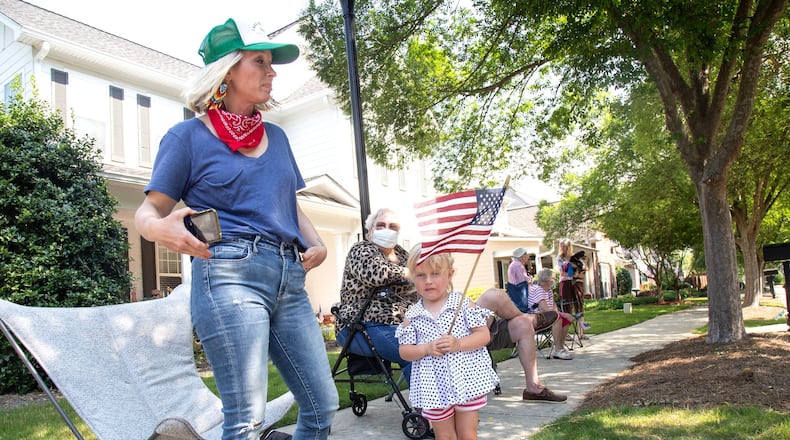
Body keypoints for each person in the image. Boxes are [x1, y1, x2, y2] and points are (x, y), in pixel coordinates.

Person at [134, 18, 337, 440]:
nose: (272, 72)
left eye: (270, 63)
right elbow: (147, 212)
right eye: (259, 62)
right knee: (246, 419)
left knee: (322, 405)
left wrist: (316, 242)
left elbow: (288, 202)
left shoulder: (277, 138)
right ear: (227, 72)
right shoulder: (187, 137)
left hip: (289, 276)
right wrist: (160, 230)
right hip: (229, 272)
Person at [397, 247, 498, 440]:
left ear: (450, 274)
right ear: (412, 277)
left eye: (435, 273)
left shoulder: (462, 304)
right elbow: (404, 351)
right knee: (445, 437)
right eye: (420, 275)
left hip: (466, 381)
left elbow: (483, 335)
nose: (428, 281)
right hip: (433, 386)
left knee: (467, 434)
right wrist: (425, 348)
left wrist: (458, 343)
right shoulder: (413, 315)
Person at [335, 208, 418, 381]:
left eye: (392, 226)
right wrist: (408, 272)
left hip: (404, 322)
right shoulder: (361, 250)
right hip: (361, 324)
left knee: (437, 345)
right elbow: (377, 273)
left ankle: (447, 402)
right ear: (370, 230)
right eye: (381, 225)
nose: (387, 230)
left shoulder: (403, 255)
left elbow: (422, 281)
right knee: (416, 352)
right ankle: (428, 405)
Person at [475, 288, 568, 403]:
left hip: (481, 334)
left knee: (523, 325)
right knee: (492, 297)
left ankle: (533, 388)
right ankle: (530, 318)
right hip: (458, 339)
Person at [528, 269, 576, 360]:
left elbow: (554, 309)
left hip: (547, 316)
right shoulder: (538, 290)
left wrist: (562, 315)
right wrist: (563, 314)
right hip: (536, 318)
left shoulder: (549, 291)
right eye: (553, 278)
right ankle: (558, 350)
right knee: (558, 319)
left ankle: (560, 348)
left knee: (565, 320)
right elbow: (545, 309)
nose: (555, 280)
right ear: (548, 281)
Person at [558, 238, 587, 337]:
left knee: (579, 306)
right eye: (561, 246)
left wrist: (576, 273)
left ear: (569, 247)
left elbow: (583, 272)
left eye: (565, 246)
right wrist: (574, 273)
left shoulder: (576, 257)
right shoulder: (560, 258)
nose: (563, 248)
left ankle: (581, 333)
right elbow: (563, 272)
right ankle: (565, 334)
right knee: (566, 307)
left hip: (577, 284)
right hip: (566, 284)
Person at [506, 247, 532, 312]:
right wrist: (530, 279)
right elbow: (522, 281)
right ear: (521, 257)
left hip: (515, 291)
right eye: (526, 254)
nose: (527, 257)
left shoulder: (514, 264)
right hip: (519, 293)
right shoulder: (518, 265)